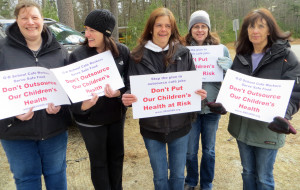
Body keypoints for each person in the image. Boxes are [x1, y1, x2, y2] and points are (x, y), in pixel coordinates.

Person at [122, 7, 207, 190]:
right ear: (151, 28)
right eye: (159, 25)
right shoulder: (136, 56)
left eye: (167, 26)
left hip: (180, 127)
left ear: (172, 28)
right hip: (152, 128)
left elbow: (192, 84)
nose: (163, 30)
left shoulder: (184, 53)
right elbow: (131, 85)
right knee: (160, 178)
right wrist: (129, 96)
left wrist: (198, 94)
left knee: (177, 176)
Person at [0, 1, 70, 189]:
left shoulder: (59, 50)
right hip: (15, 132)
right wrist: (11, 110)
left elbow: (69, 89)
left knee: (56, 175)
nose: (30, 22)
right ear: (16, 21)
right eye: (24, 18)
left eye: (34, 17)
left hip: (54, 130)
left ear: (42, 21)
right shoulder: (2, 50)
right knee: (26, 179)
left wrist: (62, 106)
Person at [228, 8, 300, 190]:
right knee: (247, 172)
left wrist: (285, 114)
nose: (255, 31)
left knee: (264, 178)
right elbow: (233, 88)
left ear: (270, 30)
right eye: (251, 27)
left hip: (267, 129)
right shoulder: (242, 55)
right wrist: (223, 100)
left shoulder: (286, 57)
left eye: (261, 26)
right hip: (242, 128)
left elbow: (296, 92)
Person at [68, 9, 130, 190]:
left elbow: (129, 81)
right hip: (90, 121)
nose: (86, 34)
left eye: (92, 30)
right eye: (86, 29)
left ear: (106, 33)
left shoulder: (122, 52)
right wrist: (82, 105)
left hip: (116, 118)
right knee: (99, 162)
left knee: (117, 158)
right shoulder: (77, 56)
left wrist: (119, 93)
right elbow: (70, 93)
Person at [183, 10, 232, 190]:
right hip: (190, 107)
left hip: (212, 107)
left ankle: (207, 183)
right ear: (190, 29)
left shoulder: (221, 49)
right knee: (190, 150)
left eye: (204, 26)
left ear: (208, 29)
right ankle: (190, 181)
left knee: (209, 150)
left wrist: (229, 68)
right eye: (196, 26)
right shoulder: (183, 49)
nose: (200, 30)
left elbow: (231, 81)